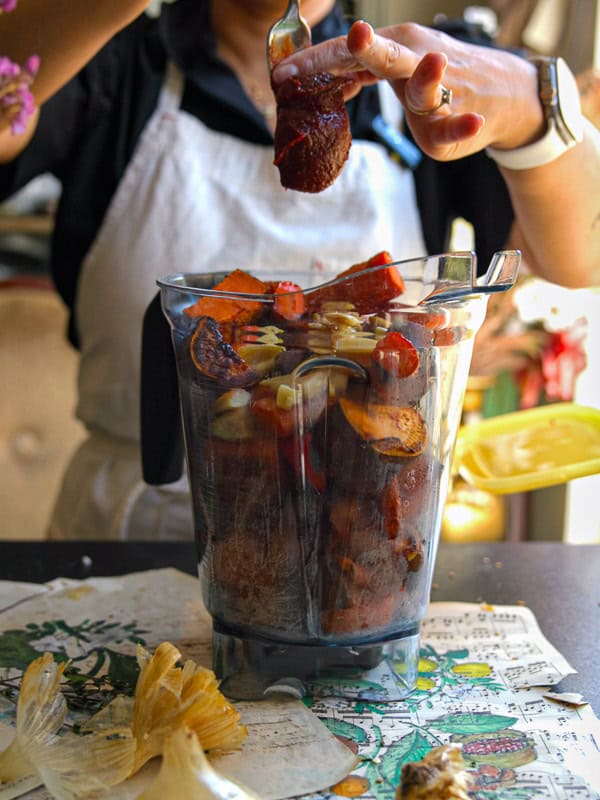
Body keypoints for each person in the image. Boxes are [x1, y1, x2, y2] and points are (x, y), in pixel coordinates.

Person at [0, 0, 598, 541]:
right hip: (130, 542)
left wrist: (534, 109)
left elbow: (582, 256)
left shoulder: (416, 78)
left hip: (363, 547)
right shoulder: (112, 62)